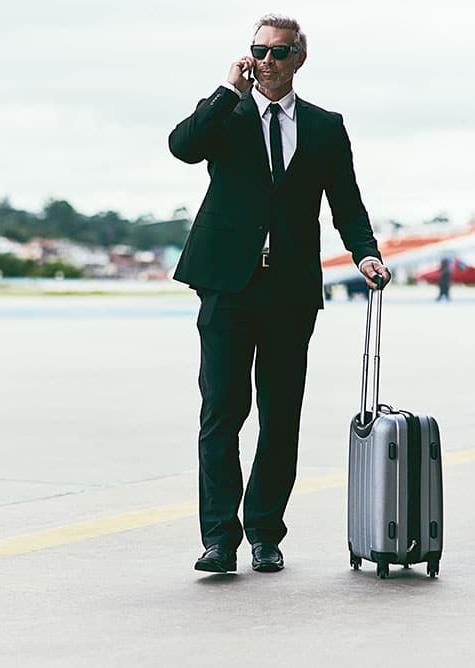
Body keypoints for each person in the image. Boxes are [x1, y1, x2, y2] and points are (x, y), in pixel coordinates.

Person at [168, 14, 391, 573]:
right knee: (222, 411)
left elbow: (346, 200)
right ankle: (219, 537)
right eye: (258, 51)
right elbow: (183, 147)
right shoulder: (227, 113)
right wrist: (227, 91)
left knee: (281, 415)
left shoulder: (324, 126)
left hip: (289, 290)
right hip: (227, 284)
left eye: (279, 52)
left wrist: (366, 252)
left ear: (299, 58)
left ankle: (266, 532)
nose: (267, 61)